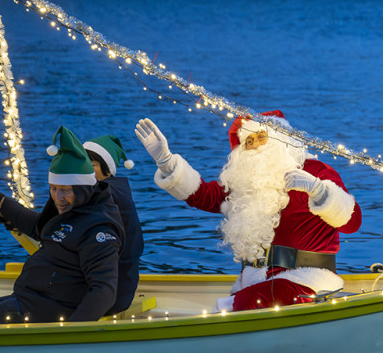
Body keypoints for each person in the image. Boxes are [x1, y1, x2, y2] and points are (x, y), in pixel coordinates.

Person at [135, 110, 361, 312]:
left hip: (308, 281)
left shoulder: (314, 170)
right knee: (241, 302)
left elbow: (352, 222)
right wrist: (166, 162)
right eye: (249, 141)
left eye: (262, 137)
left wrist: (319, 190)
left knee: (238, 306)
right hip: (257, 282)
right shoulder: (246, 183)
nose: (256, 145)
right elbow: (203, 195)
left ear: (281, 139)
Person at [0, 126, 124, 325]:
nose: (58, 198)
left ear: (83, 189)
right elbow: (40, 227)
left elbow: (104, 291)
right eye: (53, 189)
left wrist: (71, 335)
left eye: (66, 190)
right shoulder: (74, 210)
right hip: (29, 300)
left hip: (48, 309)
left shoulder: (99, 230)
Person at [82, 134, 144, 312]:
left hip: (111, 292)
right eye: (83, 164)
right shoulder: (118, 189)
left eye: (92, 165)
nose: (85, 170)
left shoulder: (105, 193)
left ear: (107, 170)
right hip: (123, 285)